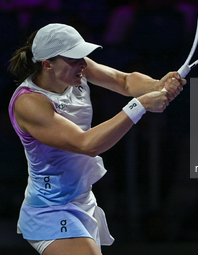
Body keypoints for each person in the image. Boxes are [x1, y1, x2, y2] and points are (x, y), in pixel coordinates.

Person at [8, 23, 186, 255]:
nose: (82, 63)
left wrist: (158, 85)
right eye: (73, 58)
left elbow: (124, 81)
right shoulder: (30, 102)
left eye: (82, 55)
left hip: (82, 198)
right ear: (47, 64)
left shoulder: (76, 70)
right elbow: (87, 144)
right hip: (52, 209)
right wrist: (140, 104)